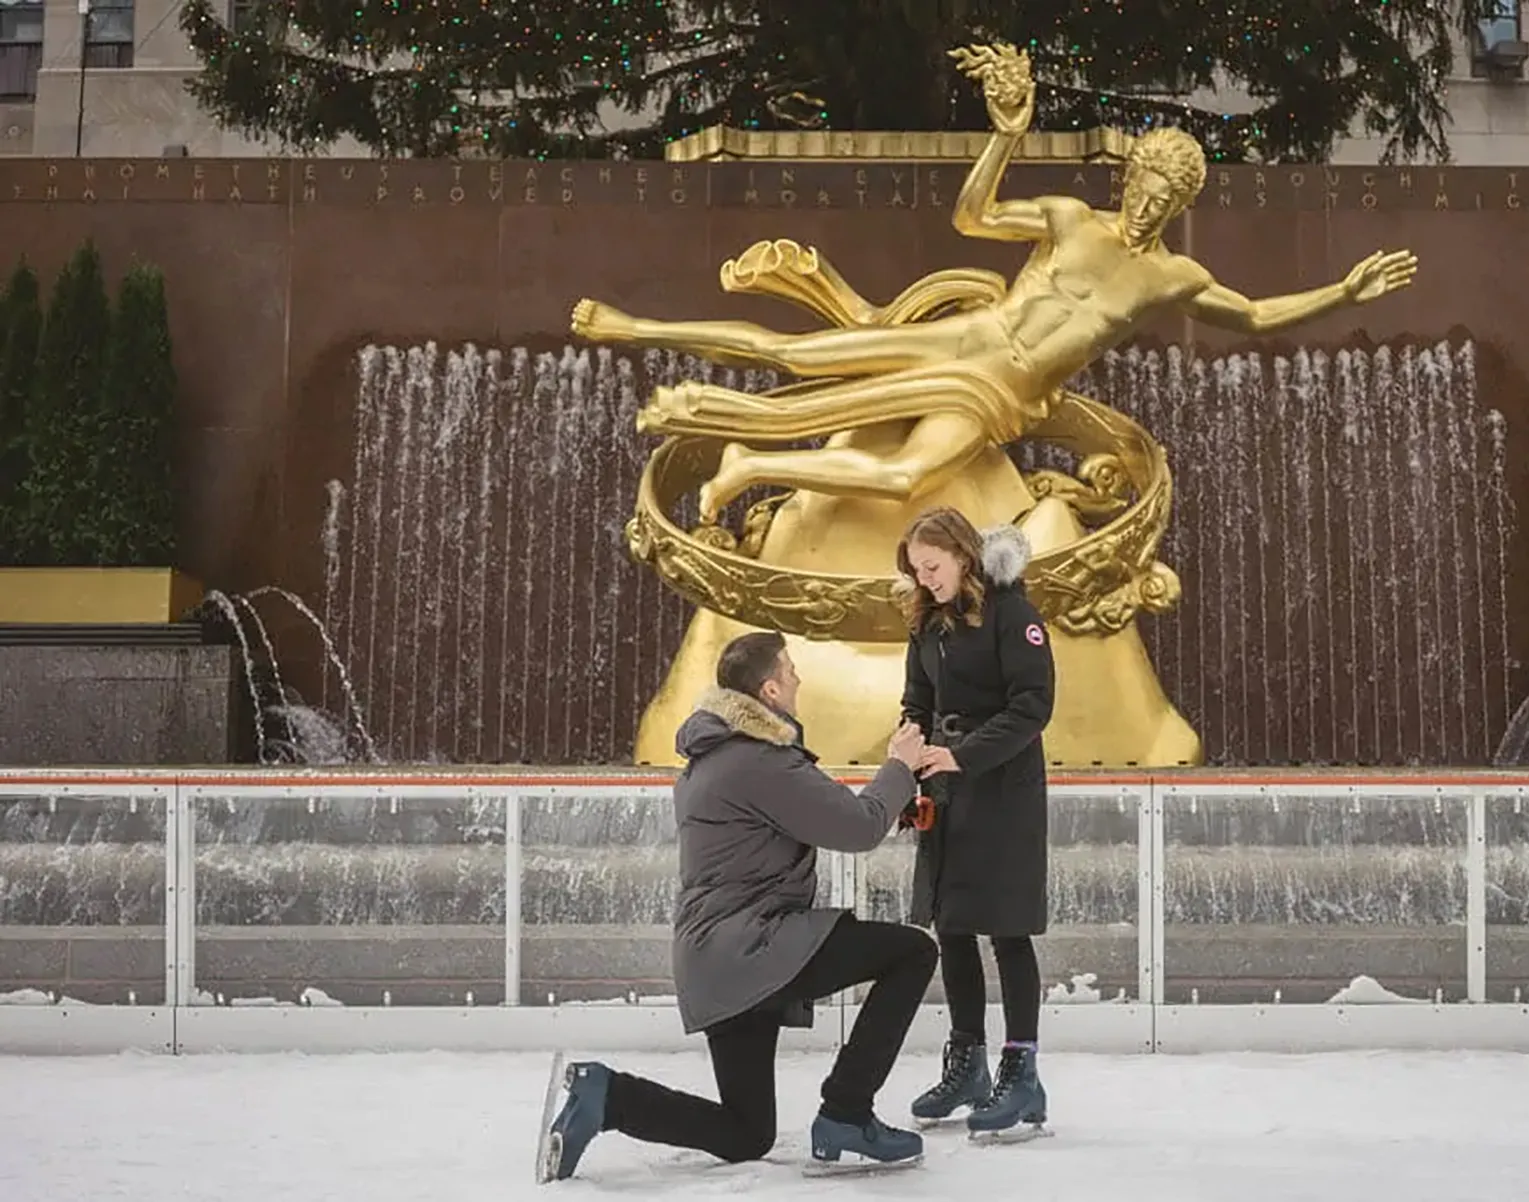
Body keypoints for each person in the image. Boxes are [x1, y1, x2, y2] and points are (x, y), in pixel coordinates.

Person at [568, 41, 1416, 521]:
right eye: (1149, 181)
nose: (1156, 197)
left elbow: (1259, 316)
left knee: (906, 479)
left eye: (1174, 191)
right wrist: (1006, 135)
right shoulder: (1068, 218)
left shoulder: (1173, 276)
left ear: (1184, 200)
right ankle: (634, 329)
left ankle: (753, 464)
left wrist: (1344, 291)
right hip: (971, 336)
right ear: (1131, 181)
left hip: (1005, 394)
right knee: (801, 356)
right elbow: (974, 218)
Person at [539, 630, 938, 1181]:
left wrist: (886, 806)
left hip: (718, 958)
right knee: (912, 952)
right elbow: (856, 826)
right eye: (791, 671)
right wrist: (899, 765)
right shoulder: (758, 761)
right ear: (771, 690)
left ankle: (607, 1097)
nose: (799, 679)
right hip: (751, 948)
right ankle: (847, 1113)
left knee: (747, 1132)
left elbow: (793, 823)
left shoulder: (719, 757)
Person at [894, 506, 1056, 1138]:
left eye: (932, 567)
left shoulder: (1011, 611)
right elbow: (916, 699)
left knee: (1008, 930)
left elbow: (1034, 704)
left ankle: (1023, 1071)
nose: (925, 579)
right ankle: (968, 1064)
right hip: (945, 787)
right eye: (916, 571)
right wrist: (909, 754)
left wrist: (965, 755)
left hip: (1004, 790)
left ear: (963, 555)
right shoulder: (927, 621)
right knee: (952, 926)